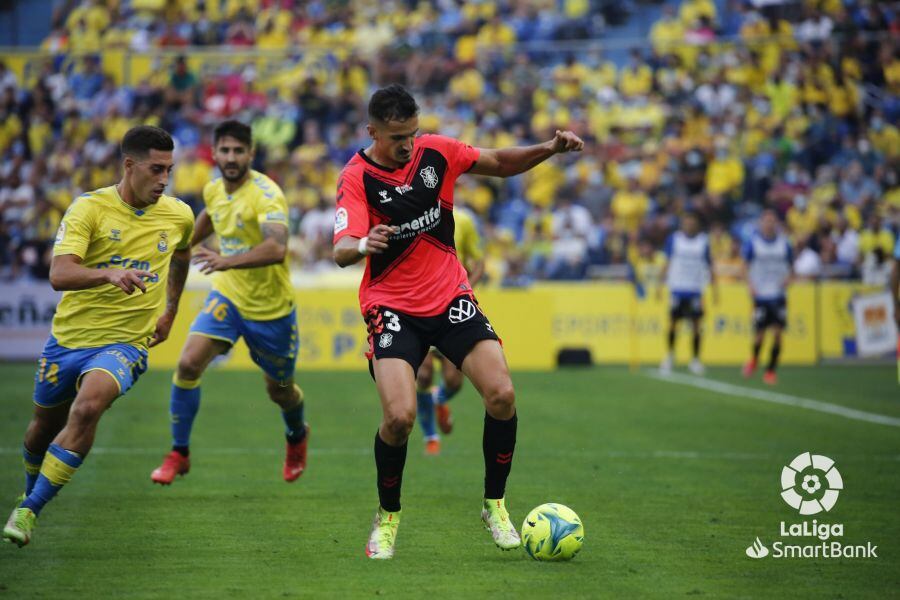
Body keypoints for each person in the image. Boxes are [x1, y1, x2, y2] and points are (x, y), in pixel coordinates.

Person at [332, 85, 583, 559]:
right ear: (372, 132)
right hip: (392, 306)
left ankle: (495, 505)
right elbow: (341, 247)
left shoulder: (437, 153)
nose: (407, 144)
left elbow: (500, 161)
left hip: (449, 296)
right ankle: (387, 518)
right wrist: (364, 245)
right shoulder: (356, 177)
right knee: (400, 417)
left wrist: (548, 149)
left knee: (502, 394)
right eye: (396, 137)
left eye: (412, 132)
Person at [4, 126, 193, 547]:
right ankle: (31, 487)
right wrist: (109, 272)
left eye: (170, 170)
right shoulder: (88, 209)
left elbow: (182, 255)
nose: (164, 180)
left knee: (88, 408)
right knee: (41, 427)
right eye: (156, 169)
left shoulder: (178, 214)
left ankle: (29, 509)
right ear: (129, 165)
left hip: (126, 342)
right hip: (69, 339)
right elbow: (59, 273)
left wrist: (171, 310)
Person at [150, 120, 308, 485]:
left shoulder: (268, 195)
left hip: (271, 309)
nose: (232, 157)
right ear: (215, 152)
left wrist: (226, 260)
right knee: (188, 363)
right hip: (228, 296)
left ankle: (297, 435)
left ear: (251, 154)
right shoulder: (214, 191)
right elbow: (192, 234)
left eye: (239, 151)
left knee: (280, 391)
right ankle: (179, 452)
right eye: (225, 150)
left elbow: (276, 247)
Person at [415, 204, 485, 455]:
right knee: (422, 375)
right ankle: (430, 436)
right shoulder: (413, 210)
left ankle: (439, 399)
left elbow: (479, 262)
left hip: (452, 309)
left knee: (454, 382)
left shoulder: (464, 219)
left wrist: (464, 290)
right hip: (419, 305)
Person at [659, 211, 717, 375]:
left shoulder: (703, 242)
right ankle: (670, 356)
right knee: (672, 323)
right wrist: (660, 283)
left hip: (695, 289)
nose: (689, 225)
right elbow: (667, 261)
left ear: (696, 224)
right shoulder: (674, 240)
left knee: (697, 326)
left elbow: (709, 265)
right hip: (677, 288)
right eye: (686, 222)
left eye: (692, 222)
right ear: (682, 223)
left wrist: (714, 288)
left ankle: (695, 359)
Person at [741, 209, 793, 385]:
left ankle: (771, 370)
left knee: (778, 334)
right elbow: (745, 266)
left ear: (776, 223)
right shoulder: (753, 244)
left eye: (772, 221)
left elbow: (791, 267)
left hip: (778, 295)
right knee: (760, 335)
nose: (769, 224)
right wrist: (750, 286)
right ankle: (754, 360)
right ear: (761, 223)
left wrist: (789, 279)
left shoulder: (784, 244)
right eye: (766, 221)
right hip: (761, 296)